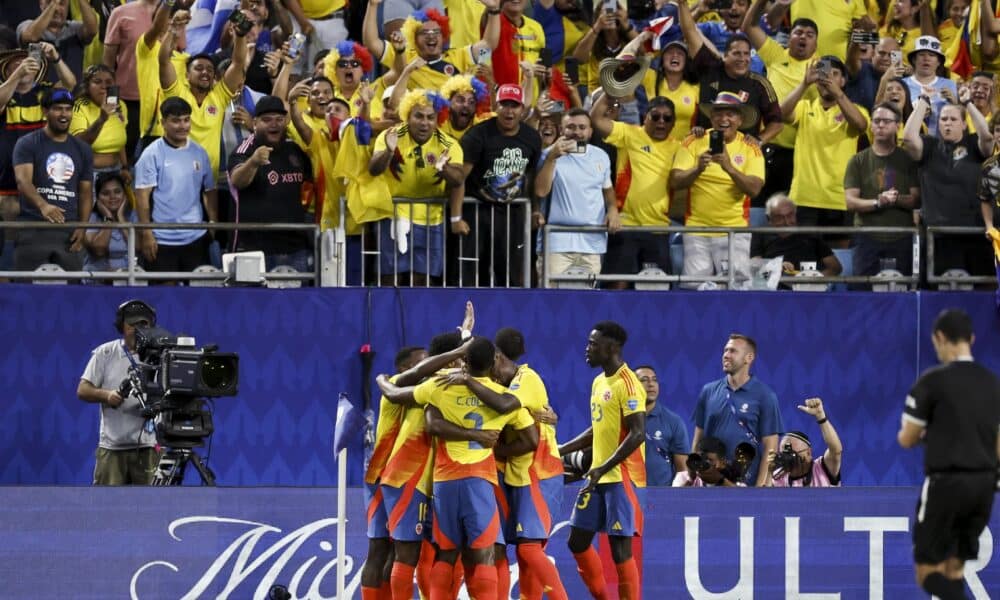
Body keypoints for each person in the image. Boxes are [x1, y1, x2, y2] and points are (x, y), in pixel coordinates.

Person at [433, 326, 568, 600]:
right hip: (510, 474)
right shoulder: (496, 384)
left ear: (497, 358)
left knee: (529, 548)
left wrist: (493, 447)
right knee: (506, 548)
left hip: (537, 472)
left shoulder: (526, 379)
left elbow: (509, 408)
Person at [898, 308, 1000, 600]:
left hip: (946, 483)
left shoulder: (932, 382)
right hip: (983, 485)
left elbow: (907, 439)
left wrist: (930, 430)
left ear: (939, 338)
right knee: (956, 568)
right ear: (972, 338)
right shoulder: (993, 384)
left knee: (927, 573)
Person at [559, 321, 645, 600]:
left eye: (593, 344)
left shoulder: (628, 384)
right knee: (577, 541)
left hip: (622, 478)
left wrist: (603, 468)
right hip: (598, 476)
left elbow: (638, 434)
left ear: (611, 348)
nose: (587, 349)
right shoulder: (599, 381)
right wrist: (562, 449)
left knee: (620, 550)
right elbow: (599, 428)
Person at [368, 89, 466, 286]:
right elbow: (374, 169)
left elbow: (458, 179)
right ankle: (389, 317)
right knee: (391, 278)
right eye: (418, 116)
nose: (424, 123)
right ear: (407, 116)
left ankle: (419, 317)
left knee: (423, 280)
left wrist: (444, 169)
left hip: (432, 220)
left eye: (430, 117)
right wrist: (388, 150)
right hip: (394, 216)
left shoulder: (449, 144)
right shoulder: (391, 136)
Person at [670, 92, 765, 288]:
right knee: (694, 289)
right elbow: (675, 181)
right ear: (711, 118)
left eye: (730, 114)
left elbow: (755, 190)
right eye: (719, 114)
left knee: (736, 289)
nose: (724, 119)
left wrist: (729, 167)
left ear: (740, 120)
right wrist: (697, 169)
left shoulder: (751, 147)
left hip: (734, 231)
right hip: (697, 229)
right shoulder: (693, 141)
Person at [902, 88, 995, 277]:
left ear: (963, 124)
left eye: (953, 119)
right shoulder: (929, 146)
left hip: (974, 233)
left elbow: (988, 136)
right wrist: (923, 101)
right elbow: (908, 138)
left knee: (980, 291)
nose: (947, 124)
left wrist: (968, 103)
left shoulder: (974, 144)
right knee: (942, 291)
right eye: (943, 119)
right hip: (938, 235)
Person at [590, 92, 680, 286]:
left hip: (658, 228)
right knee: (617, 289)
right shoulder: (629, 134)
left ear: (674, 123)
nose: (661, 122)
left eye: (667, 118)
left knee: (657, 293)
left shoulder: (679, 148)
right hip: (625, 225)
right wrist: (610, 92)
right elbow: (596, 119)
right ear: (645, 117)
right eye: (655, 116)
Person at [457, 83, 541, 287]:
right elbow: (459, 178)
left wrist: (535, 210)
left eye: (514, 105)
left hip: (512, 215)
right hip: (478, 212)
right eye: (504, 104)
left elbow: (531, 176)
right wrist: (456, 216)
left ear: (522, 109)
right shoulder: (477, 135)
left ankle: (509, 317)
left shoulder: (531, 138)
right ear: (496, 106)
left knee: (511, 274)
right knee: (474, 274)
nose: (509, 111)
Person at [780, 55, 869, 242]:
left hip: (839, 197)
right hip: (804, 197)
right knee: (804, 261)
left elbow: (860, 126)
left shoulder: (857, 109)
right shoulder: (805, 107)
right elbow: (780, 114)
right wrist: (804, 84)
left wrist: (838, 94)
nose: (827, 78)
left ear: (843, 81)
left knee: (841, 259)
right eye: (823, 74)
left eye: (834, 74)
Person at [742, 1, 819, 212]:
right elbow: (748, 27)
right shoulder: (776, 54)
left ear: (816, 45)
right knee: (758, 211)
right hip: (767, 146)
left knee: (789, 216)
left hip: (799, 152)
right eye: (798, 32)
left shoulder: (821, 68)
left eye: (809, 34)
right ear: (790, 37)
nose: (803, 37)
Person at [76, 299, 160, 485]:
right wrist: (107, 395)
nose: (138, 329)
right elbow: (83, 389)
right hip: (112, 448)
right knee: (105, 506)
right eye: (132, 325)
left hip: (147, 447)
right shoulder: (105, 353)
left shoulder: (160, 354)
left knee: (152, 506)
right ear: (121, 326)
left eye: (143, 324)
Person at [158, 8, 249, 179]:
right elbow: (163, 60)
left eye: (209, 69)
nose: (205, 72)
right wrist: (173, 30)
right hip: (176, 177)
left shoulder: (219, 96)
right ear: (186, 75)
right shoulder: (177, 94)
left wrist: (241, 36)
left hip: (209, 181)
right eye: (198, 68)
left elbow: (238, 63)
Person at [676, 0, 783, 144]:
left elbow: (776, 123)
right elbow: (689, 32)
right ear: (724, 56)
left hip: (743, 156)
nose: (743, 59)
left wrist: (759, 140)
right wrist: (683, 4)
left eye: (746, 54)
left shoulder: (759, 84)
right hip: (705, 148)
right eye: (737, 54)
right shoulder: (710, 68)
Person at [228, 95, 314, 272]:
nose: (274, 124)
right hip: (254, 248)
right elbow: (237, 181)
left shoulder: (295, 150)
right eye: (266, 120)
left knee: (296, 299)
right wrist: (253, 162)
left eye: (279, 119)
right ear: (254, 124)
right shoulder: (245, 149)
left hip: (295, 246)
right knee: (253, 300)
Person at [134, 97, 217, 277]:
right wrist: (146, 233)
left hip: (196, 237)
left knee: (198, 296)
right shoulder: (151, 154)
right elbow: (141, 197)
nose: (182, 126)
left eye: (186, 120)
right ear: (163, 122)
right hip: (161, 240)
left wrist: (212, 222)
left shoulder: (200, 153)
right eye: (176, 120)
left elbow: (210, 191)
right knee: (164, 295)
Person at [12, 87, 93, 272]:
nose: (64, 114)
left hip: (69, 231)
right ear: (45, 111)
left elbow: (86, 192)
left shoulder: (83, 149)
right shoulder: (27, 143)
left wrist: (83, 227)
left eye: (68, 108)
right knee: (26, 291)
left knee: (71, 295)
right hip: (33, 227)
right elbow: (23, 181)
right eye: (58, 108)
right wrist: (43, 206)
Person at [535, 108, 619, 283]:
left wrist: (612, 209)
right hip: (556, 243)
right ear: (561, 129)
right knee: (553, 301)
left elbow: (608, 191)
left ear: (590, 131)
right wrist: (551, 158)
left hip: (592, 244)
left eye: (582, 127)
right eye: (571, 127)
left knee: (588, 304)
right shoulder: (548, 154)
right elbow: (540, 191)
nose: (577, 132)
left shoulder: (601, 156)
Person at [691, 333, 783, 487]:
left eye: (733, 351)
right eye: (725, 350)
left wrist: (760, 489)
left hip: (746, 484)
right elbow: (698, 439)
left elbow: (770, 447)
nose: (726, 355)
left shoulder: (765, 396)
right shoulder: (708, 391)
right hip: (710, 483)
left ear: (749, 358)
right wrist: (694, 477)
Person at [844, 102, 920, 283]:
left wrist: (895, 199)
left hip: (901, 237)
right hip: (866, 238)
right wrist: (878, 202)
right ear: (870, 125)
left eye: (886, 121)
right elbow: (851, 202)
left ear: (898, 125)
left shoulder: (908, 159)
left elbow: (916, 200)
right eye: (876, 121)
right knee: (863, 294)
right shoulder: (857, 161)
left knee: (902, 292)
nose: (880, 125)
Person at [102, 0, 158, 160]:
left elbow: (178, 52)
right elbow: (107, 63)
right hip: (127, 100)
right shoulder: (120, 13)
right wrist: (111, 99)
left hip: (160, 101)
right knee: (125, 155)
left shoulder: (172, 12)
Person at [750, 193, 842, 284]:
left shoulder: (810, 234)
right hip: (775, 288)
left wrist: (815, 281)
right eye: (780, 218)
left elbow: (835, 268)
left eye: (790, 215)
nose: (787, 222)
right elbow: (756, 272)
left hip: (807, 290)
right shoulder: (760, 234)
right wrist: (776, 268)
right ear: (769, 219)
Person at [69, 64, 129, 194]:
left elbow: (121, 141)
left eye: (108, 82)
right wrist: (102, 118)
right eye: (97, 82)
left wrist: (125, 167)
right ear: (87, 85)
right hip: (90, 173)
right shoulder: (79, 107)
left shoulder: (121, 106)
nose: (104, 86)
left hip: (116, 171)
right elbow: (79, 144)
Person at [17, 0, 98, 85]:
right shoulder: (27, 25)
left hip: (72, 94)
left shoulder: (75, 29)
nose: (57, 9)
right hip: (38, 94)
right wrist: (54, 3)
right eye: (49, 2)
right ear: (41, 4)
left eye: (62, 4)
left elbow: (92, 31)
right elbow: (31, 37)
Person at [769, 398, 843, 487]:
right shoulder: (778, 477)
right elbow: (762, 498)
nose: (787, 458)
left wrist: (821, 416)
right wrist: (768, 471)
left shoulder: (822, 468)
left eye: (791, 453)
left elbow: (836, 450)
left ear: (808, 452)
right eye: (784, 454)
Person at [636, 365, 688, 486]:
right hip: (628, 494)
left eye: (654, 379)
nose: (651, 384)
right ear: (632, 386)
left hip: (662, 496)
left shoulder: (674, 421)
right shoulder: (621, 419)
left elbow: (683, 472)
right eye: (644, 380)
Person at [902, 36, 958, 137]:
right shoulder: (902, 85)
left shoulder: (950, 85)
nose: (926, 58)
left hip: (943, 142)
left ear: (939, 62)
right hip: (910, 140)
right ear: (914, 60)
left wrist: (955, 102)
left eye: (931, 55)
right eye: (922, 54)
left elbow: (963, 117)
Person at [83, 171, 135, 277]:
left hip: (127, 278)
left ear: (124, 194)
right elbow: (99, 250)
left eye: (117, 191)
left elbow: (137, 247)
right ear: (98, 198)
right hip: (97, 279)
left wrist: (121, 218)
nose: (112, 197)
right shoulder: (91, 217)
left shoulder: (133, 216)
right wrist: (109, 218)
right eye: (106, 193)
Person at [672, 436, 744, 487]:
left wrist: (721, 480)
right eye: (700, 459)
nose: (704, 463)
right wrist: (690, 480)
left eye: (710, 460)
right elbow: (671, 504)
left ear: (722, 462)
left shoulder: (734, 478)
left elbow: (746, 500)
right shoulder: (682, 477)